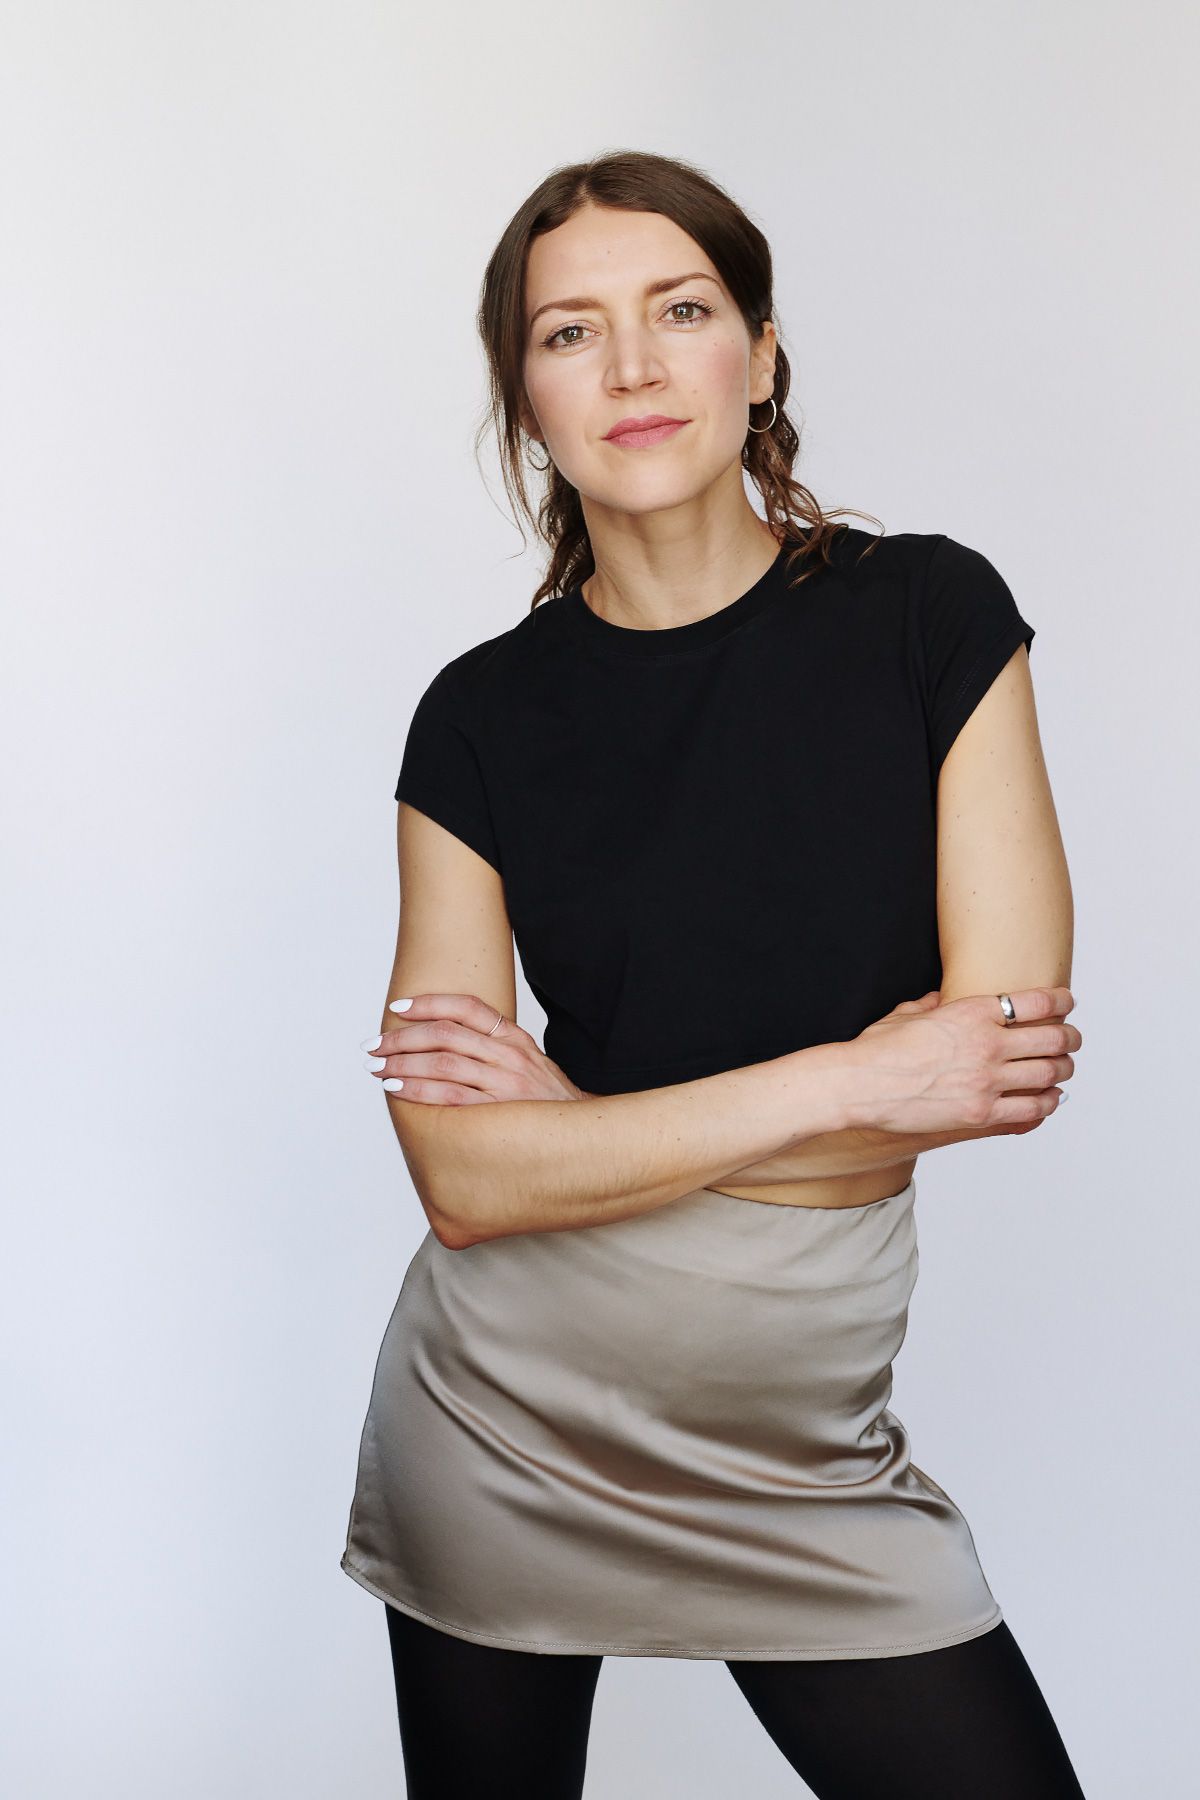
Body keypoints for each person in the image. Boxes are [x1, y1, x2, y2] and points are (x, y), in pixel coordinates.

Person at [341, 150, 1087, 1799]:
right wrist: (856, 1079)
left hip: (806, 1447)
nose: (631, 366)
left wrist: (583, 1132)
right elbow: (464, 1182)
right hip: (504, 1419)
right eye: (569, 333)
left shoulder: (930, 617)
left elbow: (997, 1058)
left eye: (680, 311)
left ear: (759, 355)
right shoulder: (476, 720)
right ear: (526, 403)